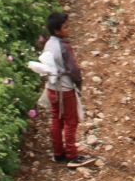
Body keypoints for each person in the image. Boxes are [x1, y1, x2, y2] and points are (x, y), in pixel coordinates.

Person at [34, 12, 95, 166]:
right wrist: (79, 85)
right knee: (70, 121)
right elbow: (74, 70)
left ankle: (58, 153)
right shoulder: (64, 46)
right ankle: (72, 155)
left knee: (56, 118)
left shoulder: (48, 44)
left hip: (52, 88)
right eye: (65, 27)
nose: (68, 29)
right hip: (65, 88)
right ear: (57, 30)